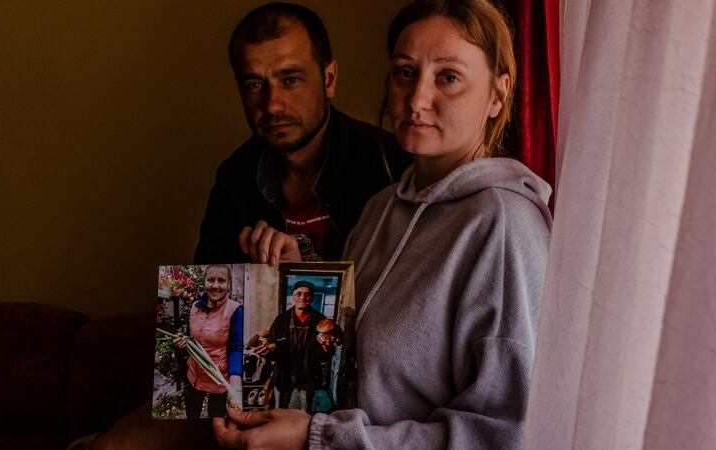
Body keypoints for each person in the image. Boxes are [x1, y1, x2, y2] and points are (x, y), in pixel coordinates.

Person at [213, 0, 552, 449]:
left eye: (448, 77)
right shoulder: (381, 209)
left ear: (497, 94)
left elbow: (504, 437)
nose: (416, 99)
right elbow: (347, 361)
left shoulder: (504, 227)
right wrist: (301, 274)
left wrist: (317, 439)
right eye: (405, 73)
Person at [194, 2, 410, 265]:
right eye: (254, 84)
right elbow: (203, 297)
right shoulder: (234, 177)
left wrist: (301, 272)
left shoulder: (391, 166)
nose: (272, 103)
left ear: (329, 80)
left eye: (290, 80)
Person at [173, 264, 244, 418]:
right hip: (194, 374)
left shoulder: (235, 311)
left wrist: (235, 379)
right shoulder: (195, 306)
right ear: (204, 281)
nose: (216, 285)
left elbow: (236, 348)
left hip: (217, 377)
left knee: (215, 418)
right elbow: (189, 333)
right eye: (211, 280)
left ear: (229, 283)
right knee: (192, 412)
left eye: (221, 281)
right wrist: (183, 339)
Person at [254, 280, 332, 412]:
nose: (302, 297)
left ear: (312, 297)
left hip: (308, 373)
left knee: (305, 410)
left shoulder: (321, 320)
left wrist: (326, 349)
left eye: (307, 294)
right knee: (280, 410)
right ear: (293, 296)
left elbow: (325, 356)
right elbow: (273, 346)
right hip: (284, 372)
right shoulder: (281, 319)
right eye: (298, 294)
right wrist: (266, 352)